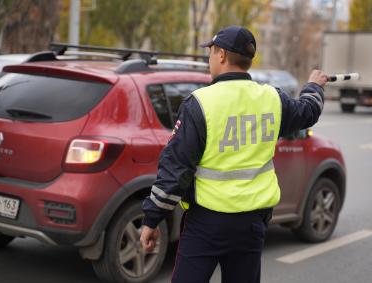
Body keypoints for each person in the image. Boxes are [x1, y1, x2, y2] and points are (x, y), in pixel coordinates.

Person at [140, 25, 328, 283]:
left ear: (221, 55)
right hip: (252, 225)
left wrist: (152, 219)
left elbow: (175, 169)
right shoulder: (271, 98)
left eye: (211, 52)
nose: (209, 58)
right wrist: (314, 86)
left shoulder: (200, 103)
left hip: (207, 224)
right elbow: (308, 112)